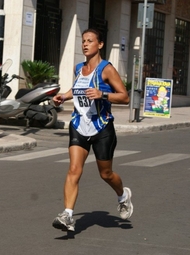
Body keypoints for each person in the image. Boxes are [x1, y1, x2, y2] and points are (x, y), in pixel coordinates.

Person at [51, 29, 133, 232]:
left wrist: (102, 94)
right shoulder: (79, 68)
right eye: (83, 41)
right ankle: (67, 215)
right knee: (73, 170)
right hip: (79, 124)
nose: (85, 44)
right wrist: (64, 96)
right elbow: (77, 90)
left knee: (105, 174)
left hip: (102, 127)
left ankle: (123, 195)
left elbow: (124, 97)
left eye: (90, 41)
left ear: (100, 45)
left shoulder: (107, 69)